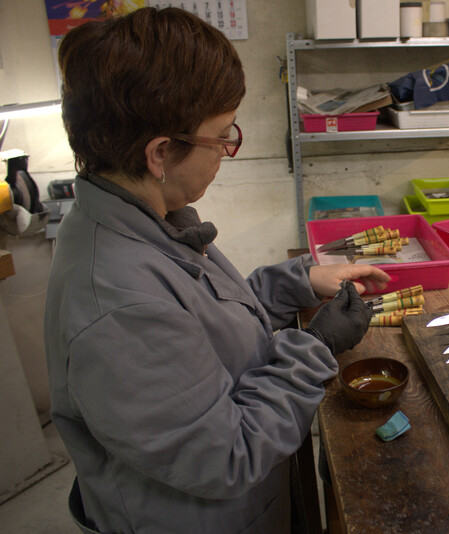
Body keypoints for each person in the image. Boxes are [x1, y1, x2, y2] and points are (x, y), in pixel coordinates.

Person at [43, 7, 390, 534]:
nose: (227, 152)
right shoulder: (115, 303)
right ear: (161, 152)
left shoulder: (146, 218)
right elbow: (226, 454)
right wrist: (315, 347)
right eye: (223, 137)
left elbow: (201, 324)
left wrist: (294, 284)